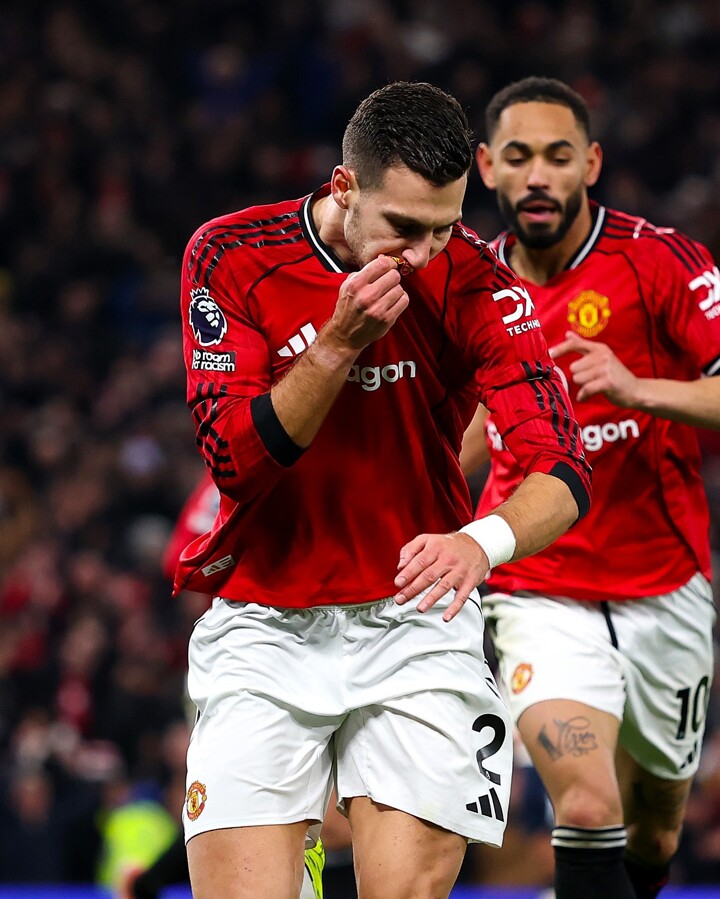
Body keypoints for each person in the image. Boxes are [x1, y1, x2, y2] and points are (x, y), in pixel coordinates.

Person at [175, 80, 591, 899]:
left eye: (444, 226)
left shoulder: (475, 279)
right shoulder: (232, 254)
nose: (424, 253)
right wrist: (337, 345)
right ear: (344, 187)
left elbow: (563, 464)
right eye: (403, 226)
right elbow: (235, 462)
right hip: (265, 624)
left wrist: (480, 542)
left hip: (415, 628)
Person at [462, 76, 720, 899]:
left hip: (665, 584)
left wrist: (639, 388)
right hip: (539, 588)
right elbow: (459, 435)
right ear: (487, 167)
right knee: (584, 802)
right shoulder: (467, 283)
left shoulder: (662, 262)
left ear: (592, 164)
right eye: (518, 157)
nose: (538, 175)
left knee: (655, 828)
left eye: (558, 156)